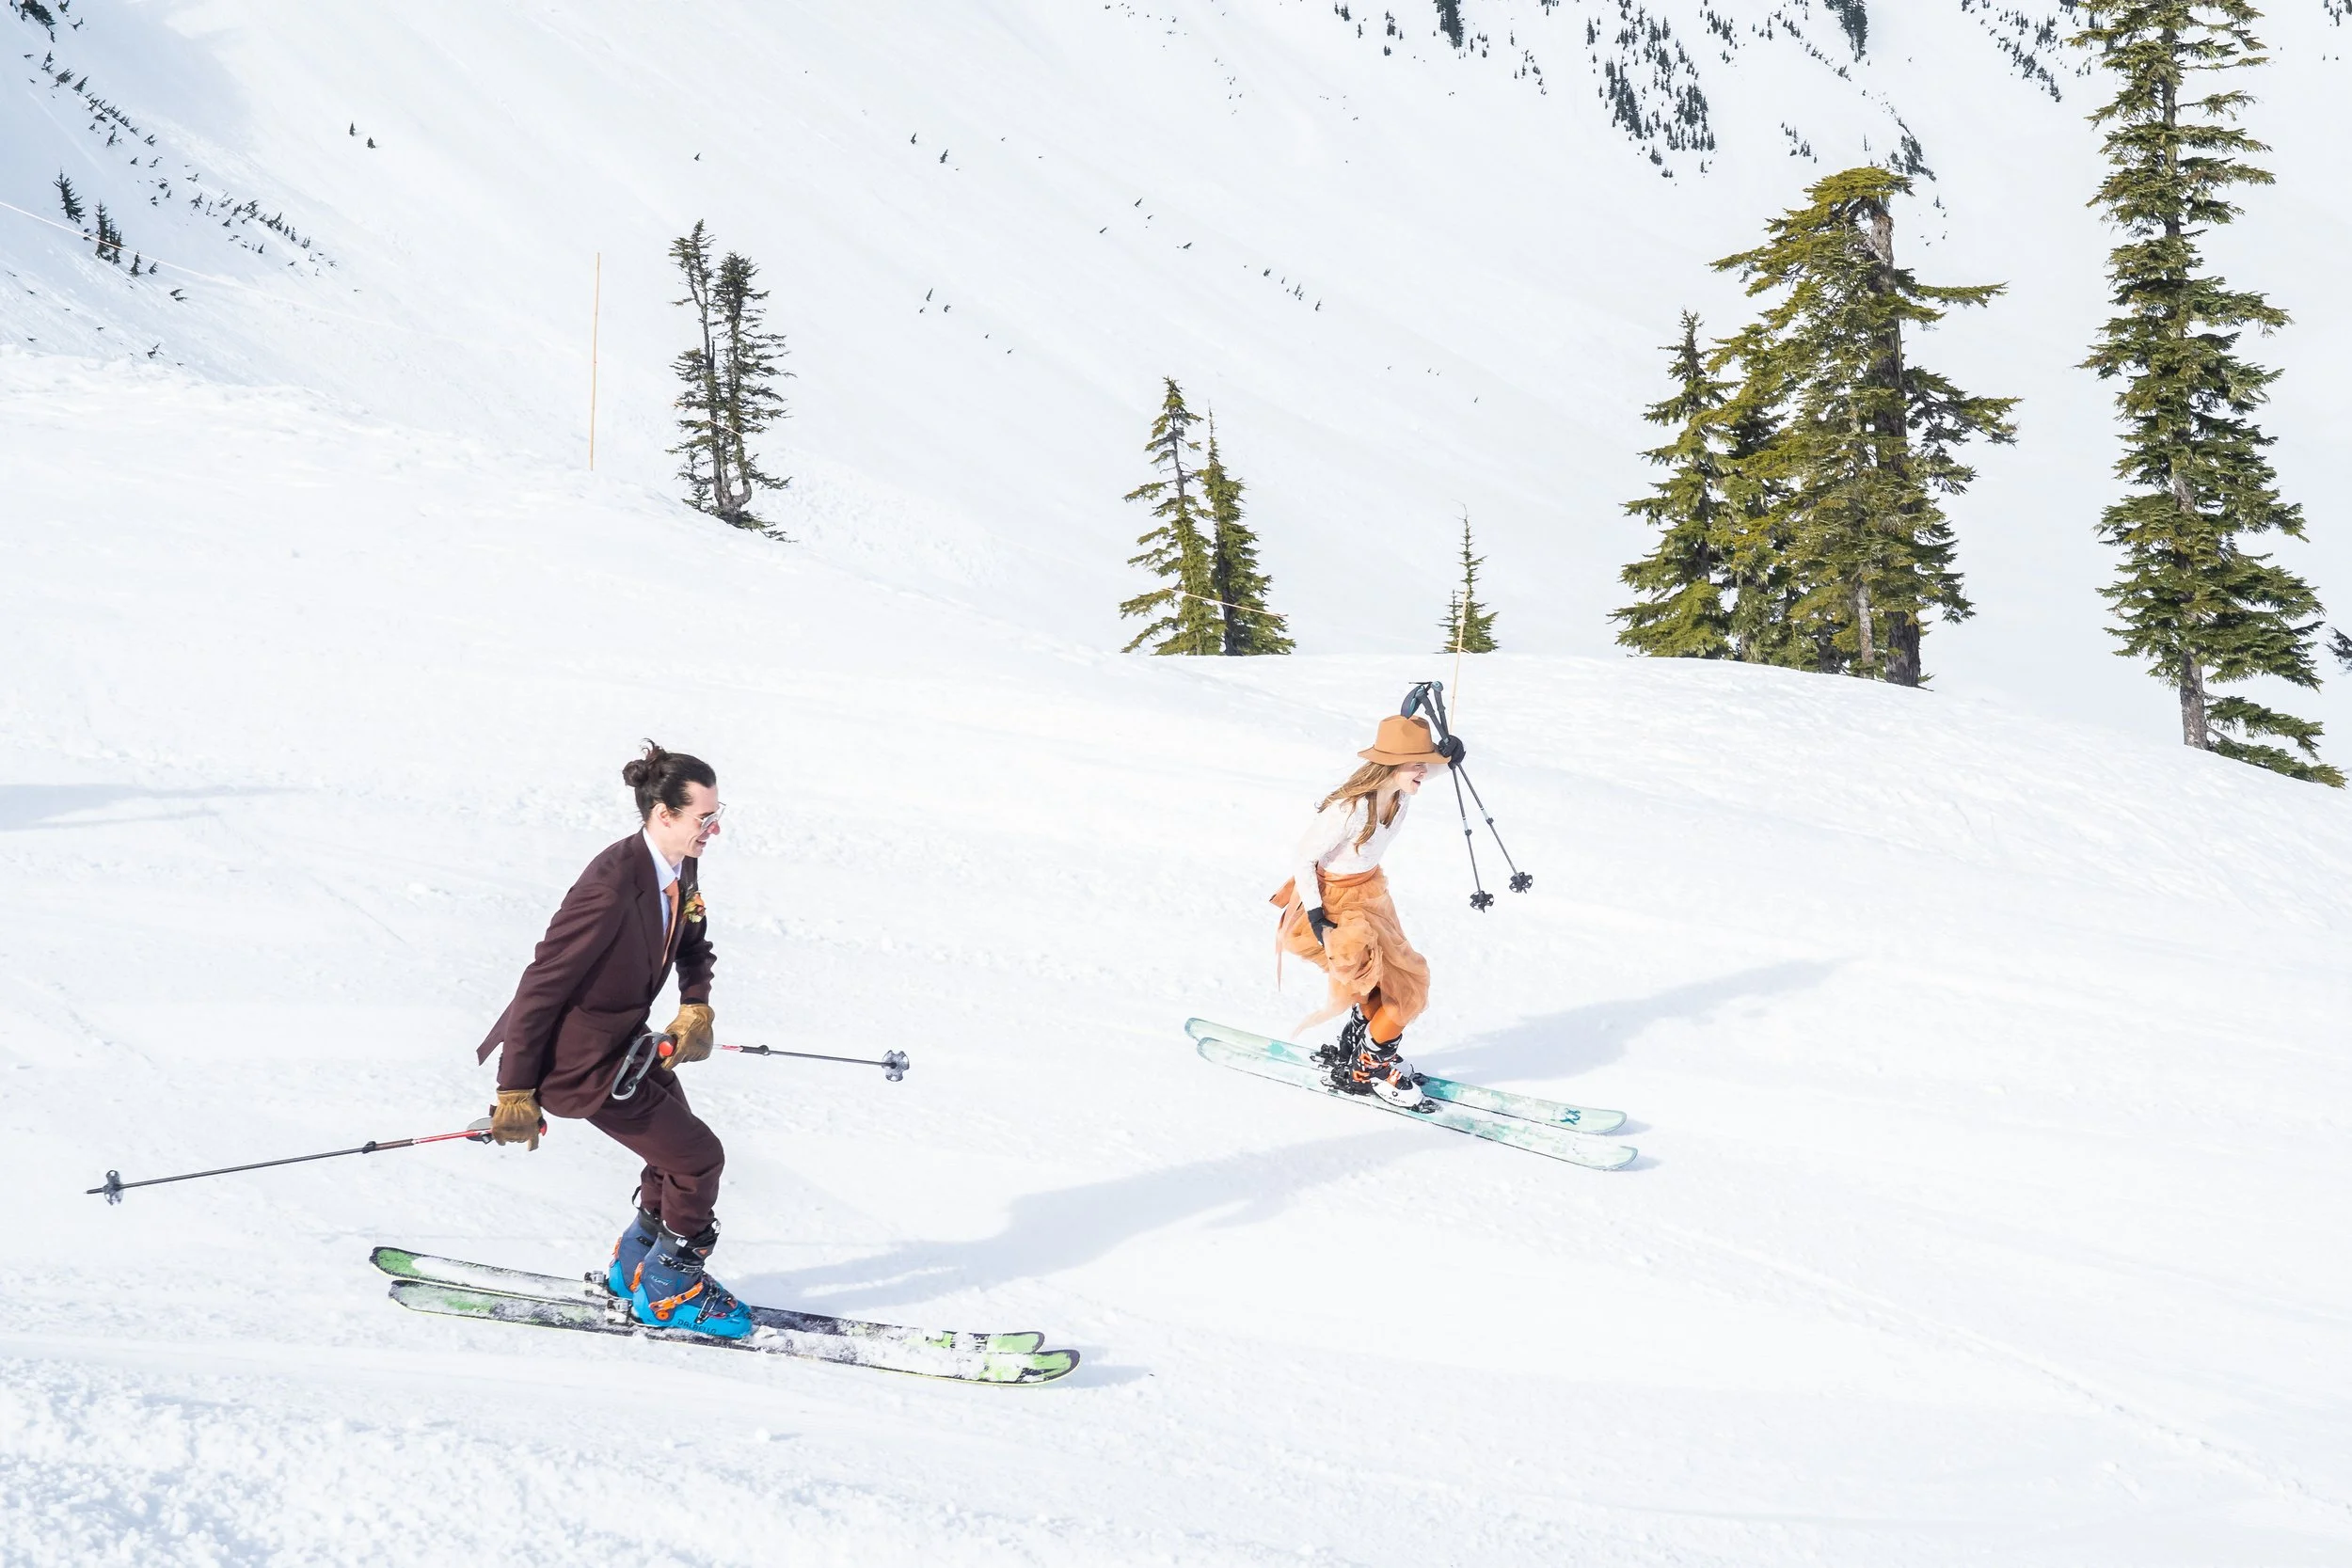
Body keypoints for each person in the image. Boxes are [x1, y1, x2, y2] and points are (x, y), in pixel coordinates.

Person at [474, 741, 754, 1339]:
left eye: (716, 811)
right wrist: (514, 1089)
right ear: (664, 815)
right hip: (580, 1065)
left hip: (625, 1046)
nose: (715, 827)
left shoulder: (678, 863)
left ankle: (637, 1261)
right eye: (704, 816)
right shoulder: (611, 883)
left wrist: (696, 1005)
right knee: (699, 1158)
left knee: (674, 1144)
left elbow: (693, 940)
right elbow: (542, 985)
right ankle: (670, 1284)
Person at [1270, 712, 1456, 1108]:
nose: (1424, 769)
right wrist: (1319, 915)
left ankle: (1360, 1046)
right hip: (1335, 904)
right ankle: (1370, 1067)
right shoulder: (1351, 809)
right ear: (1390, 764)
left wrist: (1450, 759)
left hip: (1370, 894)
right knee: (1407, 988)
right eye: (1416, 761)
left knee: (1378, 983)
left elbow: (1419, 770)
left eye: (1427, 761)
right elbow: (1303, 858)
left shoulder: (1400, 791)